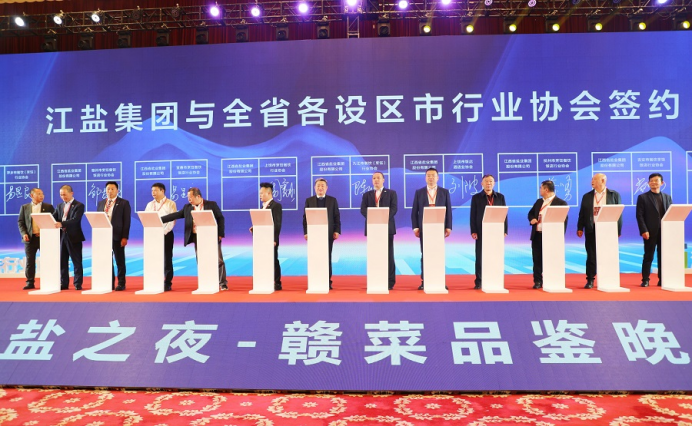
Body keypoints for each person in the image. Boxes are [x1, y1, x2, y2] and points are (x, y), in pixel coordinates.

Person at [161, 188, 228, 291]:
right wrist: (160, 219)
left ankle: (222, 283)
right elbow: (176, 215)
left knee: (218, 260)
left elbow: (220, 218)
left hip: (211, 236)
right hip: (197, 237)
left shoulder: (211, 204)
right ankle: (205, 282)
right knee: (201, 260)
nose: (189, 199)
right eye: (188, 197)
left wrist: (220, 234)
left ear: (198, 196)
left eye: (190, 197)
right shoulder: (187, 207)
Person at [577, 174, 622, 289]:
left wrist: (618, 230)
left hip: (608, 230)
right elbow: (582, 213)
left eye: (594, 179)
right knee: (591, 255)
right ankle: (590, 279)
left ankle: (608, 278)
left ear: (603, 181)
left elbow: (619, 214)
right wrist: (580, 227)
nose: (592, 181)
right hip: (591, 229)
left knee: (607, 255)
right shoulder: (587, 196)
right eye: (592, 179)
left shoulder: (614, 195)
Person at [411, 168, 452, 291]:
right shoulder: (419, 192)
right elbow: (414, 212)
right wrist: (416, 227)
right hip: (424, 228)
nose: (431, 178)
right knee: (425, 254)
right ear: (425, 178)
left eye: (433, 175)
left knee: (438, 254)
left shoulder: (444, 192)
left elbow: (448, 211)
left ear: (437, 178)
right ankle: (425, 281)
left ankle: (440, 280)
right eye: (428, 175)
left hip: (439, 228)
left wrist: (448, 226)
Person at [360, 171, 398, 290]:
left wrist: (383, 218)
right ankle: (374, 279)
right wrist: (374, 218)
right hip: (373, 228)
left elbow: (394, 208)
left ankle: (389, 282)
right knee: (374, 255)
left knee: (388, 255)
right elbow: (363, 209)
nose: (376, 180)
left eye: (378, 178)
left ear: (383, 180)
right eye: (374, 178)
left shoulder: (391, 193)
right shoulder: (367, 195)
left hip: (387, 228)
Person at [528, 180, 568, 289]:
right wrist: (532, 219)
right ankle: (537, 281)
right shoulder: (539, 202)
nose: (539, 190)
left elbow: (564, 221)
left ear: (546, 190)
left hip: (551, 237)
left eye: (541, 188)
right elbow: (530, 213)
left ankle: (551, 279)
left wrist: (559, 236)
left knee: (551, 259)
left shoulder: (561, 203)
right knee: (537, 260)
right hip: (537, 235)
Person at [470, 175, 508, 290]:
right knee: (480, 256)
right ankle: (479, 281)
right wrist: (474, 231)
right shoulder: (476, 197)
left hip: (496, 231)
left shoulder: (500, 197)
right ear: (482, 183)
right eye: (486, 181)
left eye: (491, 181)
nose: (488, 183)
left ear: (494, 183)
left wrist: (505, 230)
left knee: (495, 255)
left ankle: (494, 278)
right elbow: (473, 215)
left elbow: (504, 214)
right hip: (481, 231)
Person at [303, 178, 341, 290]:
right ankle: (315, 280)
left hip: (328, 234)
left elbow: (336, 216)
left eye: (322, 186)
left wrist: (337, 230)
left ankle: (327, 281)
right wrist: (306, 232)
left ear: (326, 188)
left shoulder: (332, 200)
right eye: (318, 186)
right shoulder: (309, 201)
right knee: (315, 257)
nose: (320, 188)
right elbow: (305, 218)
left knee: (327, 257)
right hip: (314, 234)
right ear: (314, 188)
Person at [636, 173, 672, 287]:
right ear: (648, 183)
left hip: (664, 232)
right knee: (648, 256)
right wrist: (643, 230)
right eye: (651, 181)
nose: (653, 182)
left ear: (662, 183)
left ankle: (662, 279)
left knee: (663, 256)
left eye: (656, 180)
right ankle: (645, 279)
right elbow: (639, 215)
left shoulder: (667, 197)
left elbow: (670, 214)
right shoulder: (643, 197)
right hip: (649, 232)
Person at [17, 188, 55, 290]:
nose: (41, 196)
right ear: (32, 196)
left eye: (42, 194)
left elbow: (54, 221)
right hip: (30, 239)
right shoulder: (25, 207)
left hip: (44, 239)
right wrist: (24, 233)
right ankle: (30, 282)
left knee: (47, 260)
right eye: (38, 194)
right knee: (30, 261)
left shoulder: (48, 207)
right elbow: (20, 222)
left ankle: (49, 280)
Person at [96, 181, 131, 291]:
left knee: (120, 261)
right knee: (106, 260)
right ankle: (108, 283)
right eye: (108, 189)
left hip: (118, 236)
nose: (110, 191)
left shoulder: (124, 203)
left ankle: (121, 283)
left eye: (112, 189)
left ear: (117, 190)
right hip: (104, 236)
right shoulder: (101, 203)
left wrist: (124, 237)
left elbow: (126, 221)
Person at [145, 183, 177, 292]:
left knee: (167, 258)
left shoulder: (170, 203)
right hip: (153, 235)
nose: (153, 193)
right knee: (153, 257)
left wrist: (163, 232)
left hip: (166, 234)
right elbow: (146, 218)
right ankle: (155, 280)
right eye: (152, 191)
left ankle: (167, 282)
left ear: (162, 191)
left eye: (155, 190)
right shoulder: (150, 205)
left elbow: (172, 220)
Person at [250, 182, 283, 291]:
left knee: (273, 260)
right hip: (262, 239)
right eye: (260, 193)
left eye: (262, 193)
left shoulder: (276, 206)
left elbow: (277, 224)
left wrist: (274, 239)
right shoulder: (263, 207)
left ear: (269, 193)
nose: (260, 195)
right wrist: (255, 228)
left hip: (271, 239)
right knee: (264, 260)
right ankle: (265, 280)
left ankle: (277, 283)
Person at [53, 185, 85, 291]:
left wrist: (61, 224)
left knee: (76, 261)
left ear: (71, 193)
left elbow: (75, 220)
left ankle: (77, 283)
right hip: (62, 236)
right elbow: (54, 217)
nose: (63, 197)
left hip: (74, 236)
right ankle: (64, 283)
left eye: (65, 194)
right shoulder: (59, 206)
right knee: (63, 261)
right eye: (61, 195)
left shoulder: (79, 205)